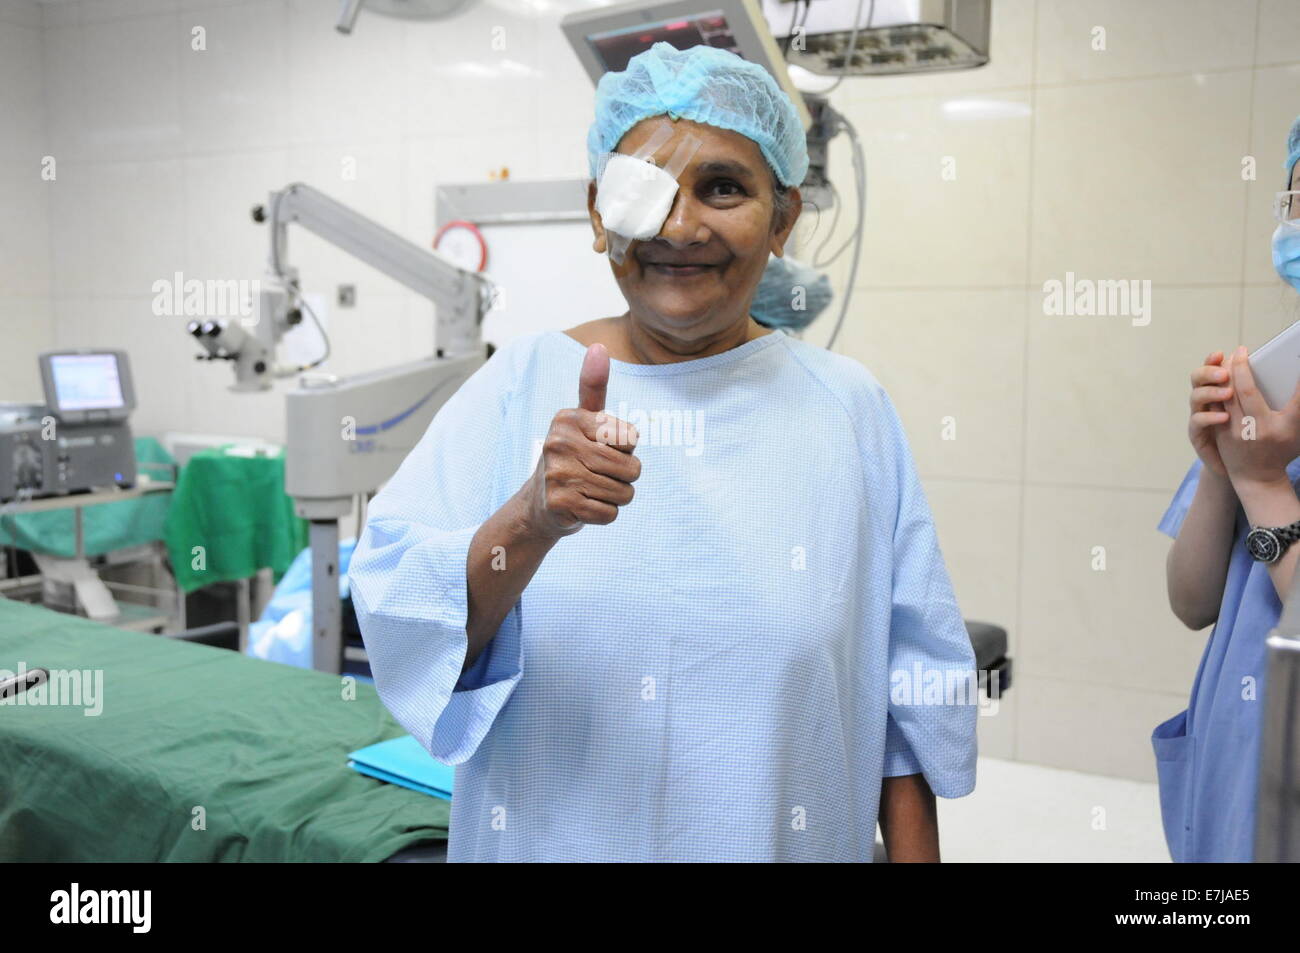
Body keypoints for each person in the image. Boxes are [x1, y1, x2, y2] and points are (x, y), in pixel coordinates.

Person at [349, 42, 977, 862]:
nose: (680, 227)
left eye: (723, 187)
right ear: (599, 211)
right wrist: (530, 521)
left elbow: (908, 687)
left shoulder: (848, 410)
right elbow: (404, 625)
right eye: (643, 188)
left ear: (783, 218)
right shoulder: (518, 388)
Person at [1157, 115, 1300, 862]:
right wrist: (1220, 469)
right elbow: (1191, 602)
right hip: (1232, 794)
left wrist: (1266, 483)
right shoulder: (1274, 394)